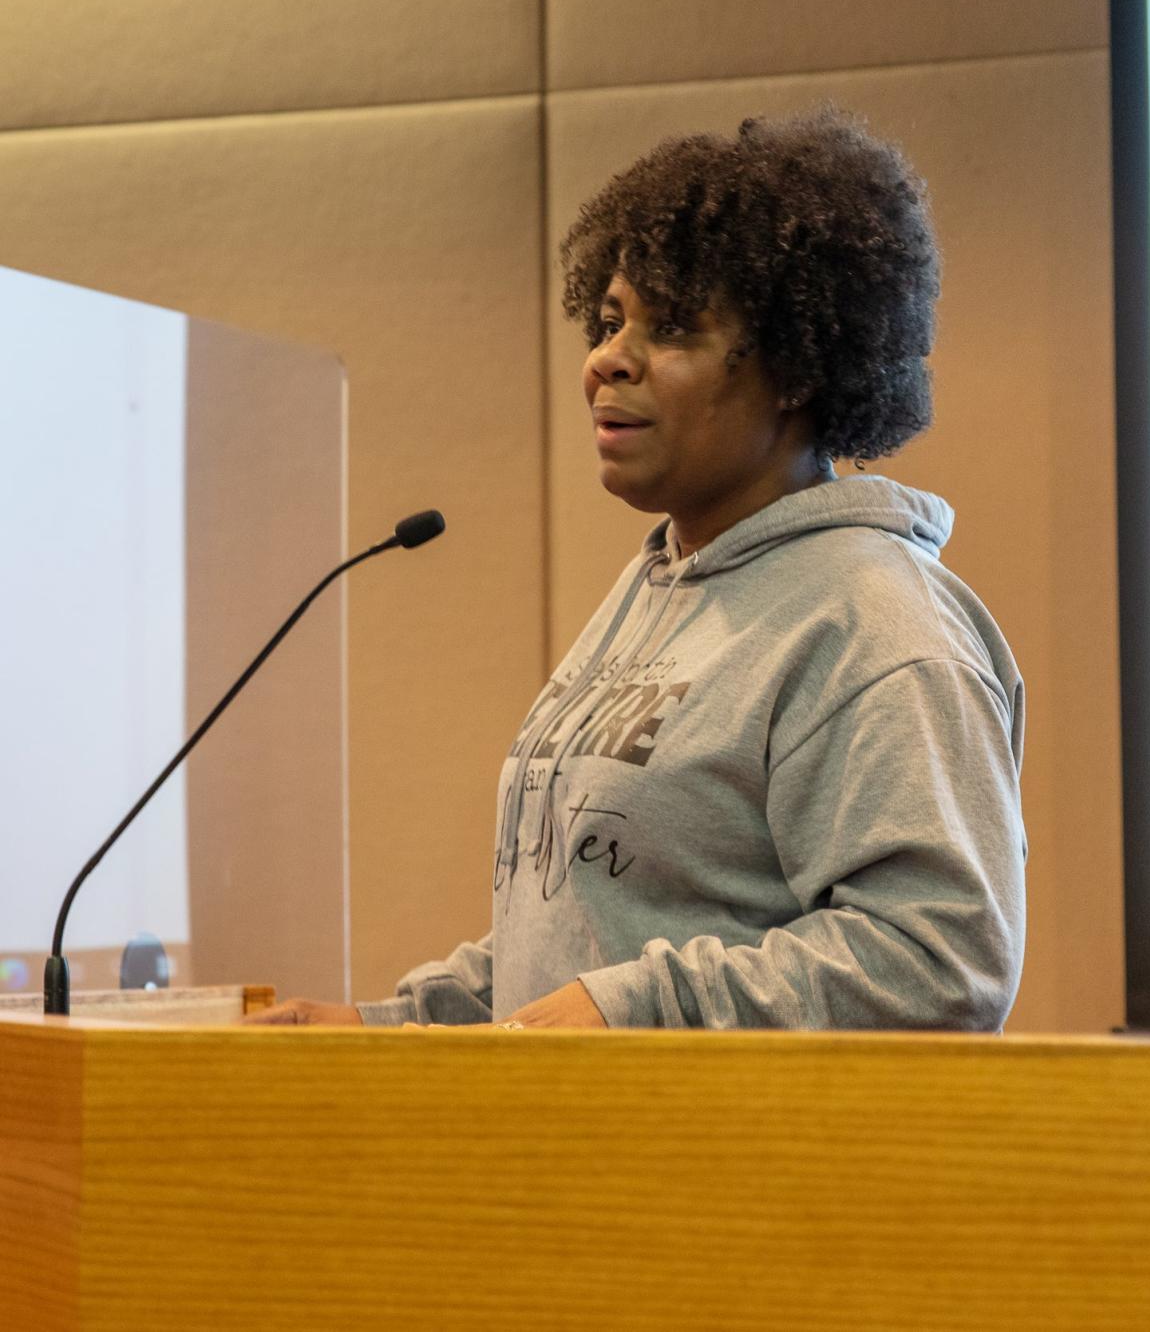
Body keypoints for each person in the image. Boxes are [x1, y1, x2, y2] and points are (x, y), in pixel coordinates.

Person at [250, 104, 1026, 1033]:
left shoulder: (877, 626)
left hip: (721, 1177)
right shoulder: (653, 586)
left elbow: (938, 960)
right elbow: (591, 927)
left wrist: (631, 1013)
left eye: (672, 330)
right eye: (611, 321)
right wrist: (393, 1030)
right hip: (565, 1163)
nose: (607, 362)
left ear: (797, 370)